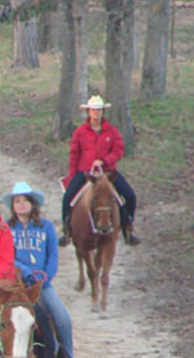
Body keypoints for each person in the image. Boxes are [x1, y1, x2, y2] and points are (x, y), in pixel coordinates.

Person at [2, 181, 79, 358]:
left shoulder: (46, 227)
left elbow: (53, 255)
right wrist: (26, 273)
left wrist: (45, 276)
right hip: (19, 285)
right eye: (17, 201)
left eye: (25, 200)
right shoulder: (8, 228)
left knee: (61, 317)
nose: (21, 205)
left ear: (33, 204)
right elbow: (7, 255)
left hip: (42, 285)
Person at [59, 95, 140, 247]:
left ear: (103, 112)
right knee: (68, 198)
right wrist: (72, 174)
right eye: (93, 110)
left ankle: (127, 229)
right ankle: (67, 231)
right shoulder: (80, 132)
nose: (96, 113)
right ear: (88, 112)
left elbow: (118, 150)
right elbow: (74, 154)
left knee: (129, 195)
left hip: (107, 173)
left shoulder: (112, 131)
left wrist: (104, 161)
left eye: (99, 110)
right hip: (85, 172)